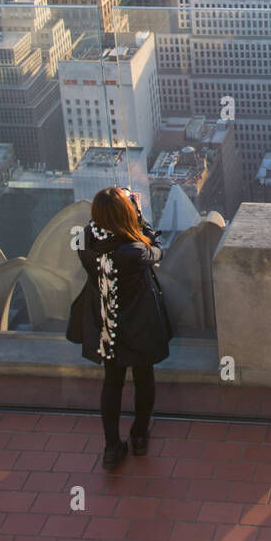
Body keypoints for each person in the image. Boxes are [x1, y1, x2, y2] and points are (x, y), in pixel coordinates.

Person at [73, 187, 171, 470]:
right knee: (143, 376)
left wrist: (120, 210)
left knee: (112, 382)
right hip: (138, 323)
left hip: (106, 323)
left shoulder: (86, 240)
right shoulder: (133, 251)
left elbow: (98, 230)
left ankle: (111, 448)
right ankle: (139, 436)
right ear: (125, 214)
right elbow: (156, 249)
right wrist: (139, 214)